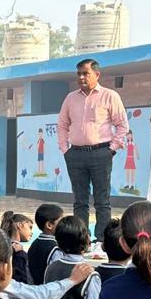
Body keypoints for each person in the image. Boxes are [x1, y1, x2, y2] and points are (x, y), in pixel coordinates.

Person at [57, 58, 129, 237]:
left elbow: (122, 126)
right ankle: (80, 238)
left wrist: (111, 149)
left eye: (85, 73)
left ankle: (102, 239)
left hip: (101, 153)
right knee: (79, 201)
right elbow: (62, 125)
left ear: (97, 74)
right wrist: (65, 150)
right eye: (79, 74)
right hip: (75, 154)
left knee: (102, 201)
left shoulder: (110, 96)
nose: (81, 77)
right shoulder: (70, 98)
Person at [0, 212, 34, 299]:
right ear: (20, 225)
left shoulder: (8, 247)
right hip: (16, 297)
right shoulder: (14, 250)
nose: (31, 232)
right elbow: (16, 276)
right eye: (29, 227)